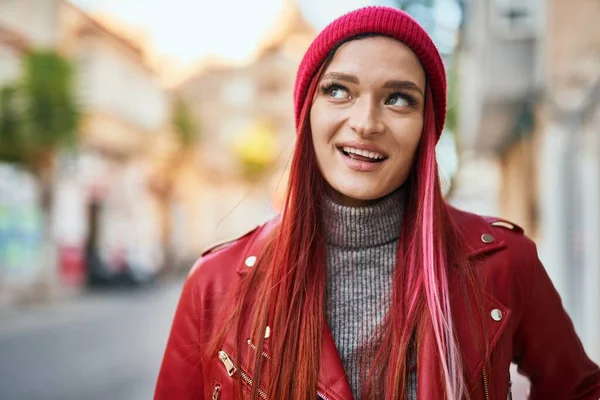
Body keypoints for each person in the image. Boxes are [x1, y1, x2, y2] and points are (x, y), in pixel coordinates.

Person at [154, 6, 600, 400]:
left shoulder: (504, 264)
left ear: (426, 126)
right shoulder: (215, 284)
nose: (366, 123)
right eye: (338, 90)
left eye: (398, 99)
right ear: (307, 109)